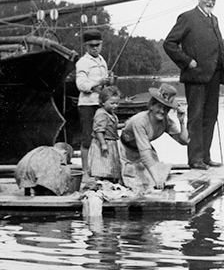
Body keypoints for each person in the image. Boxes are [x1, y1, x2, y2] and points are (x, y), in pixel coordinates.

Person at [163, 0, 224, 170]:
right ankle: (195, 159)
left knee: (210, 116)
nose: (210, 1)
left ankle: (205, 157)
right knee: (196, 117)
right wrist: (187, 61)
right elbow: (169, 43)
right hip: (196, 77)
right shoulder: (188, 17)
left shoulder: (214, 19)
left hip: (214, 76)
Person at [119, 83, 189, 192]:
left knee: (158, 179)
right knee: (136, 184)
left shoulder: (166, 120)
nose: (162, 111)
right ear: (151, 106)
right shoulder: (140, 121)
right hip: (125, 150)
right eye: (159, 106)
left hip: (143, 149)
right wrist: (157, 179)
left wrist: (182, 121)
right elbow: (145, 154)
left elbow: (184, 141)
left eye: (166, 109)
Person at [75, 30, 112, 175]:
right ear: (86, 46)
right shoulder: (83, 62)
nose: (95, 48)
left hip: (101, 105)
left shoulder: (102, 61)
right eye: (92, 46)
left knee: (103, 136)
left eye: (98, 45)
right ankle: (85, 171)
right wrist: (98, 82)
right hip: (87, 105)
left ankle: (100, 169)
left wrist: (108, 83)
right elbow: (81, 85)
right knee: (87, 139)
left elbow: (104, 84)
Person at [86, 85, 122, 183]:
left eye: (117, 103)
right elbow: (99, 130)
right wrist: (103, 144)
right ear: (102, 102)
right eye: (112, 103)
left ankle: (110, 180)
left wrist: (124, 125)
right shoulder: (101, 114)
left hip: (111, 142)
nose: (115, 106)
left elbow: (111, 126)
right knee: (103, 164)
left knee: (110, 164)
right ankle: (102, 181)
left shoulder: (111, 113)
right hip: (104, 142)